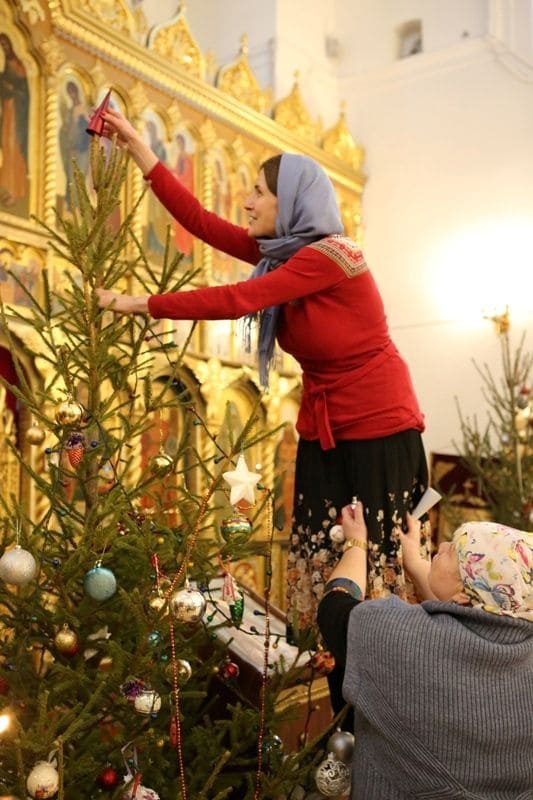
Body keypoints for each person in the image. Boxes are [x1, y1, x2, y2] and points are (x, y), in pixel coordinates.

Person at [95, 107, 428, 718]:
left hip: (378, 429)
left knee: (378, 575)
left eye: (258, 191)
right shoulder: (283, 253)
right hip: (325, 430)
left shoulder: (332, 255)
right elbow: (199, 221)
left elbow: (239, 298)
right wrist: (139, 145)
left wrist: (136, 303)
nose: (246, 201)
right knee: (326, 571)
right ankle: (344, 721)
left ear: (291, 201)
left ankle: (386, 718)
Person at [318, 504, 533, 799]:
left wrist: (356, 543)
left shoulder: (396, 636)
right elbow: (475, 618)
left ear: (464, 592)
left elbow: (334, 607)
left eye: (453, 550)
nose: (441, 545)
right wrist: (417, 562)